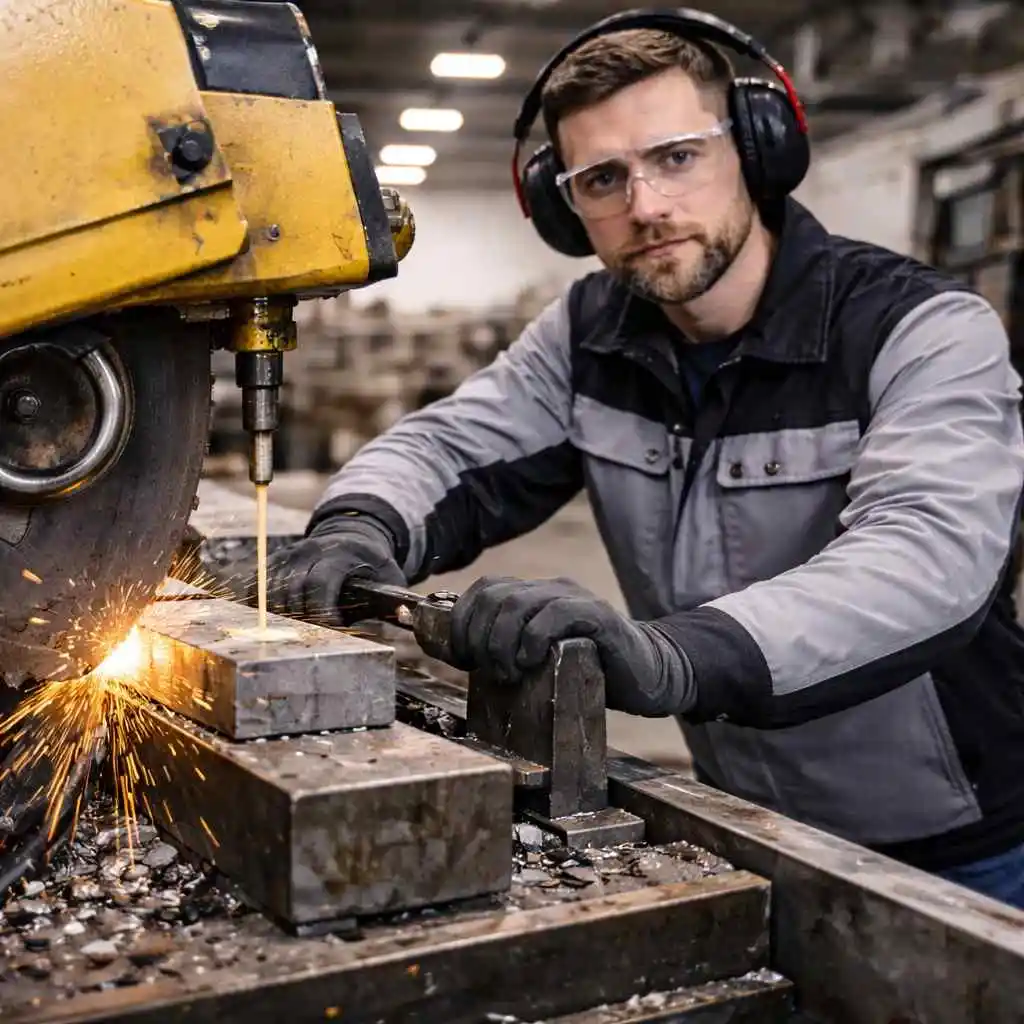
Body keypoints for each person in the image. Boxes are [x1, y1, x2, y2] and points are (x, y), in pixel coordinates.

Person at [265, 10, 1024, 908]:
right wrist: (360, 523)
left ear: (754, 148)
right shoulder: (590, 335)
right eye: (602, 179)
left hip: (964, 840)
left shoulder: (921, 329)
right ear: (562, 206)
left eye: (677, 156)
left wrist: (670, 657)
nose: (647, 206)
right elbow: (453, 444)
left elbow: (927, 559)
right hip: (745, 820)